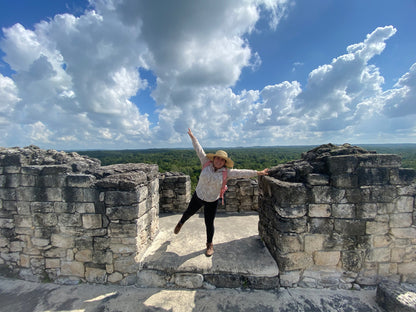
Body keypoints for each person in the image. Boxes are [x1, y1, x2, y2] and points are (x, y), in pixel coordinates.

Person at [174, 128, 269, 257]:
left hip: (212, 200)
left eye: (222, 160)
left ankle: (209, 244)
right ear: (213, 159)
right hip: (199, 195)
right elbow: (199, 149)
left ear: (224, 162)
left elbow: (242, 173)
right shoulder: (205, 163)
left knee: (209, 223)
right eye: (217, 158)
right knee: (188, 213)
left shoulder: (226, 173)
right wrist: (192, 137)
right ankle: (180, 223)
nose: (219, 161)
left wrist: (258, 173)